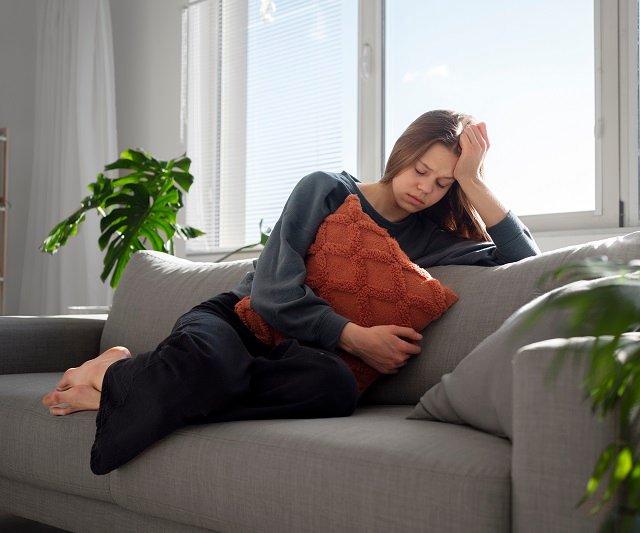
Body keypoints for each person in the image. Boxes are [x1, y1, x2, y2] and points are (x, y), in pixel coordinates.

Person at [41, 110, 540, 475]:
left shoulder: (429, 237)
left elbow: (527, 265)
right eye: (420, 170)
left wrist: (474, 178)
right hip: (234, 320)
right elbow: (273, 294)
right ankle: (114, 370)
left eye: (443, 183)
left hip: (296, 356)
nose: (424, 188)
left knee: (336, 389)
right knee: (213, 361)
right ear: (402, 154)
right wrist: (354, 337)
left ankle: (124, 379)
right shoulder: (325, 187)